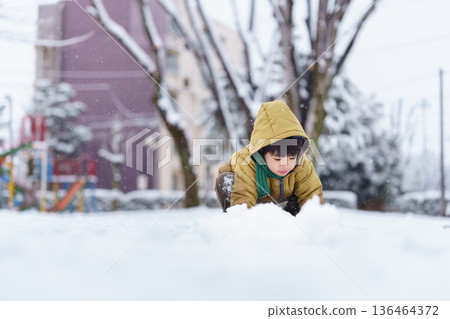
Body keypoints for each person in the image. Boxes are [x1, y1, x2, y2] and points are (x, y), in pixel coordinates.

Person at [214, 100, 323, 216]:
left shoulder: (302, 164)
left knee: (304, 195)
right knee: (225, 180)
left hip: (282, 201)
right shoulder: (247, 162)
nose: (285, 164)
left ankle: (291, 220)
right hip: (253, 199)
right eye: (277, 159)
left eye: (291, 158)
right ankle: (234, 217)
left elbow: (311, 194)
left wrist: (313, 218)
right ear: (262, 151)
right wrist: (247, 223)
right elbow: (243, 196)